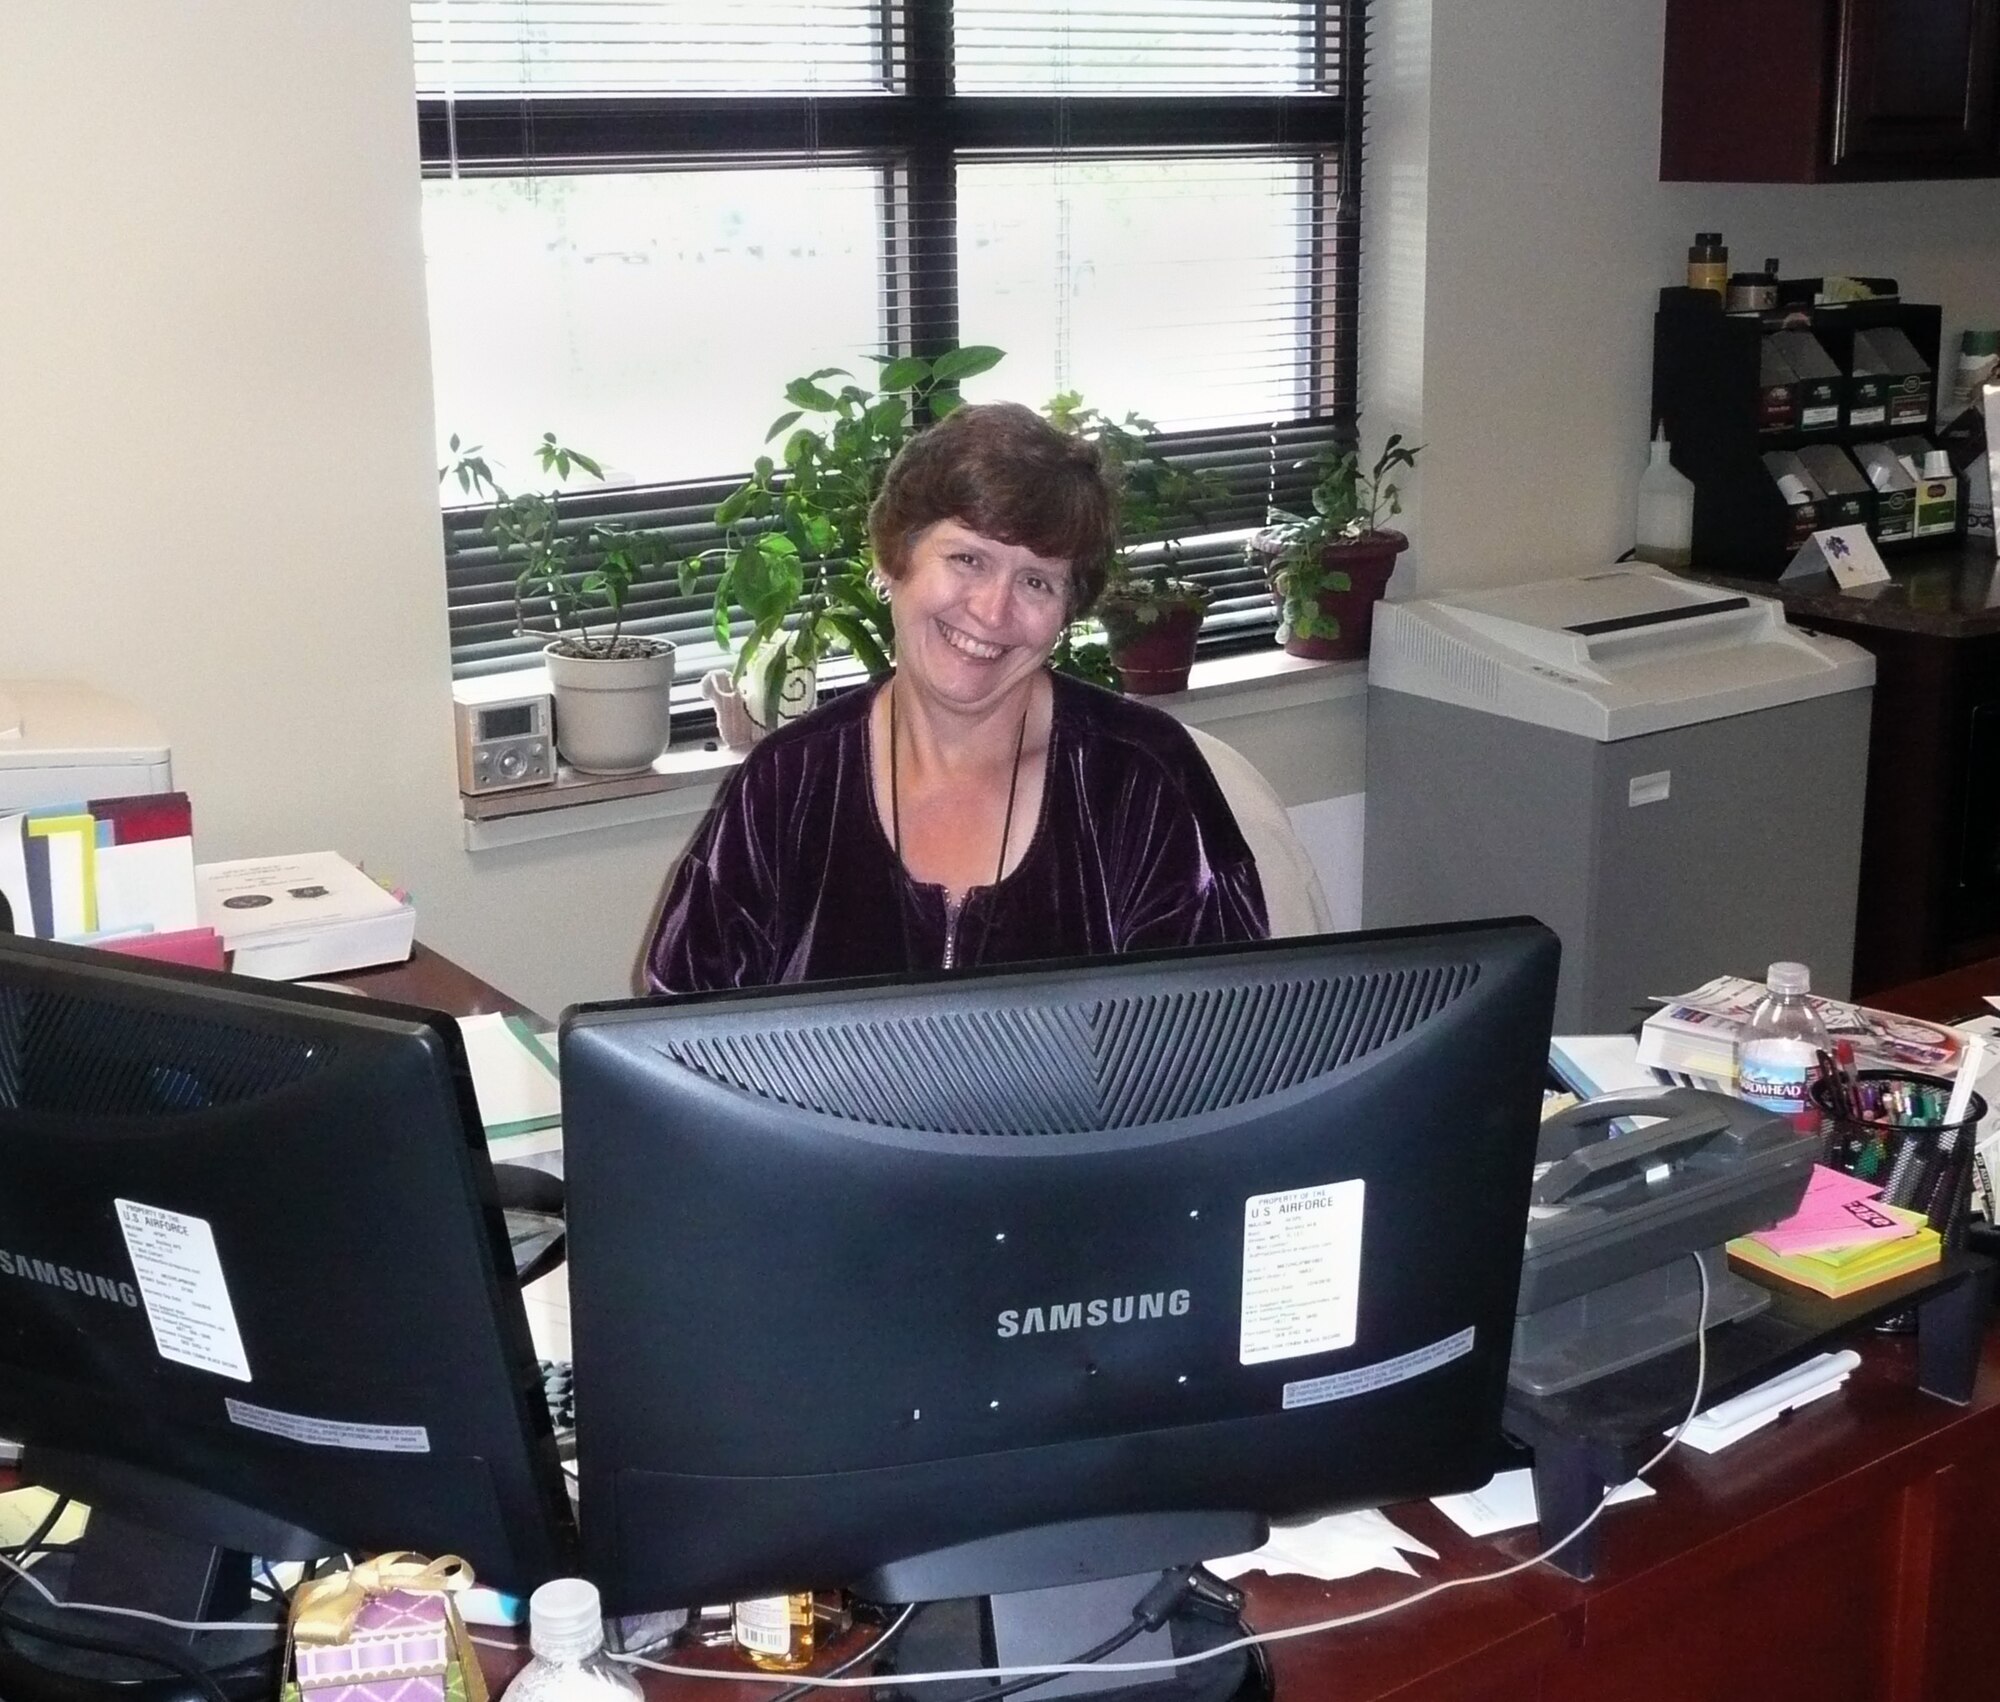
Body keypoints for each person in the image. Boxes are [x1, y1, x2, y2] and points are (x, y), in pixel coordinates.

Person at [645, 401, 1268, 994]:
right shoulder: (785, 785)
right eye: (968, 558)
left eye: (1035, 581)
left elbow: (1214, 1049)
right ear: (893, 561)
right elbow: (678, 1045)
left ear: (1065, 612)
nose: (992, 611)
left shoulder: (1143, 779)